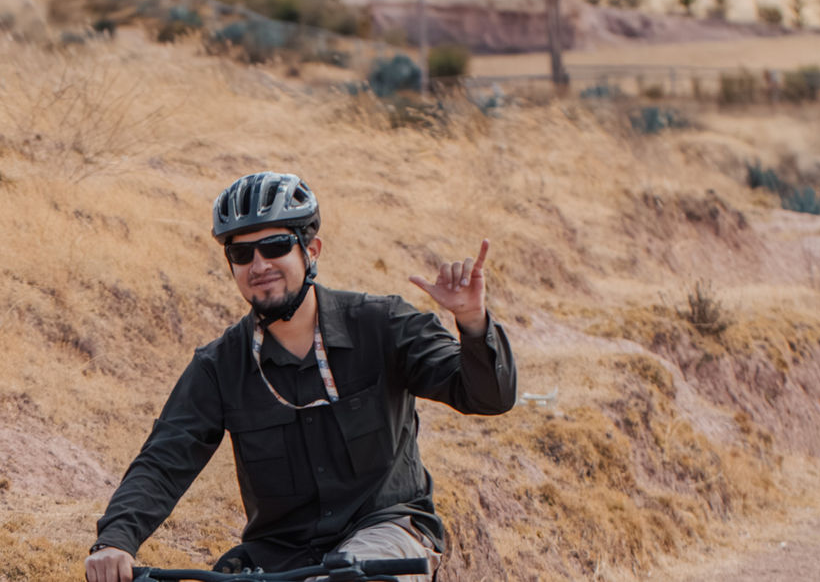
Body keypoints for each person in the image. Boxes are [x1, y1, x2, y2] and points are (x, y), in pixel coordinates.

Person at [85, 172, 517, 582]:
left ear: (311, 251)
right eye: (241, 253)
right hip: (278, 557)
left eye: (274, 246)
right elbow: (165, 460)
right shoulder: (219, 366)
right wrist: (117, 540)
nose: (258, 264)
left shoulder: (382, 324)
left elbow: (487, 396)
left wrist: (473, 324)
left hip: (387, 534)